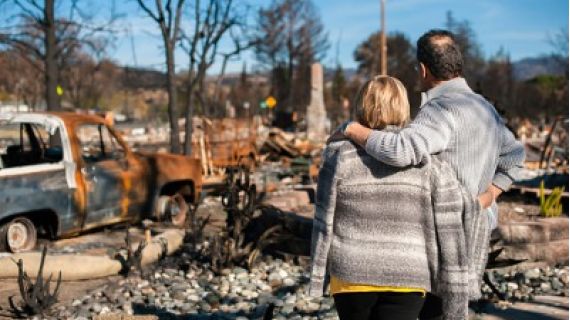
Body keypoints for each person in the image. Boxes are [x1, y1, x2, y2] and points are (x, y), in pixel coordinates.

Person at [342, 29, 526, 318]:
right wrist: (491, 193)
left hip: (444, 235)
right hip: (477, 229)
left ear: (423, 69)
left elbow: (400, 150)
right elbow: (516, 156)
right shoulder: (484, 108)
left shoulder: (440, 111)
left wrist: (352, 129)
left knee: (435, 312)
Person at [309, 76, 470, 320]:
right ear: (403, 106)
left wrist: (317, 275)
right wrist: (455, 296)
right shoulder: (428, 161)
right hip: (408, 273)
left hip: (352, 274)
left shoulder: (338, 155)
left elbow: (323, 219)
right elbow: (450, 229)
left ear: (361, 105)